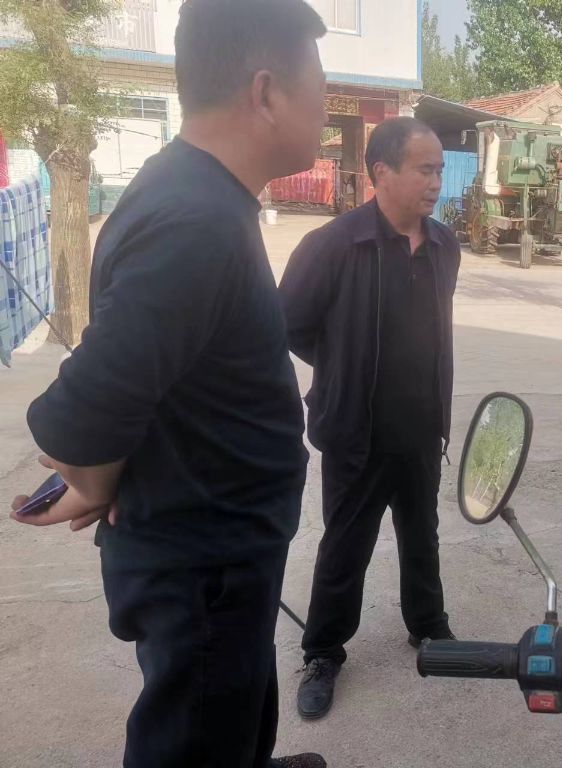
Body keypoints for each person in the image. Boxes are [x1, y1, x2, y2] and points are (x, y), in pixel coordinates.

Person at [10, 1, 331, 766]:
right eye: (320, 86)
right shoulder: (195, 223)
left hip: (217, 559)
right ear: (265, 92)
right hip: (202, 573)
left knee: (235, 732)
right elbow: (80, 417)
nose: (327, 110)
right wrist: (94, 478)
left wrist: (110, 470)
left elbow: (154, 375)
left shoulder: (197, 194)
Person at [279, 117, 460, 720]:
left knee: (422, 534)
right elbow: (290, 325)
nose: (436, 182)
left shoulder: (444, 246)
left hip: (421, 425)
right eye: (424, 170)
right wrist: (342, 369)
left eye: (439, 170)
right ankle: (323, 653)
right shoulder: (334, 245)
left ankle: (428, 627)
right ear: (381, 172)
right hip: (356, 429)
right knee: (345, 545)